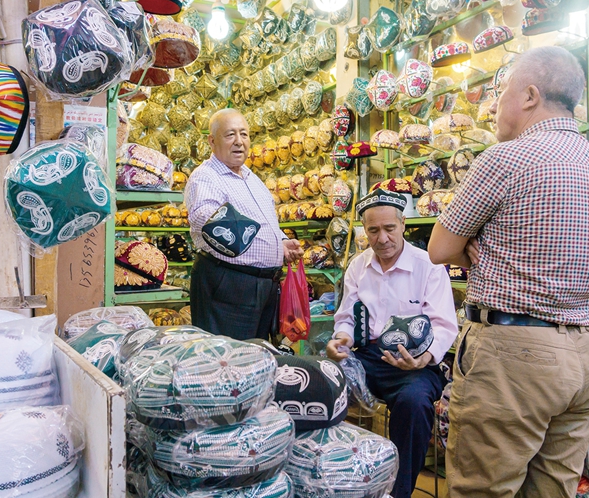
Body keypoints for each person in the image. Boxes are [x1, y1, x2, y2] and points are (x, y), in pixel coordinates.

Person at [426, 46, 589, 498]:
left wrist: (482, 249)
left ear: (530, 95)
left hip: (514, 358)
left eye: (503, 92)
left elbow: (439, 248)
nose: (495, 106)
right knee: (554, 489)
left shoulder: (505, 159)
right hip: (587, 351)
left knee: (483, 489)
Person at [326, 189, 458, 498]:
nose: (382, 238)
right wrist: (341, 338)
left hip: (415, 363)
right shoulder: (359, 266)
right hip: (368, 358)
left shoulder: (428, 265)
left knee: (414, 402)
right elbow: (346, 317)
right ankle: (336, 479)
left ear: (403, 225)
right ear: (364, 230)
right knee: (321, 382)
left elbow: (443, 325)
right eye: (373, 230)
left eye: (389, 228)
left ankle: (398, 492)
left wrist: (424, 357)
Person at [185, 108, 303, 340]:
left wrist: (280, 243)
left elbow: (263, 221)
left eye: (244, 134)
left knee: (256, 353)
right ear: (212, 141)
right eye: (230, 135)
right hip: (229, 285)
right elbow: (207, 223)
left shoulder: (251, 177)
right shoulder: (206, 177)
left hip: (262, 286)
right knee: (229, 355)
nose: (239, 141)